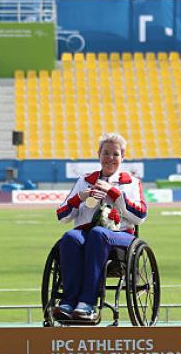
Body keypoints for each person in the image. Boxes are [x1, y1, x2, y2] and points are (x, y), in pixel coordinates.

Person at [52, 132, 148, 322]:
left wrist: (115, 193)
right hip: (86, 234)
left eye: (115, 154)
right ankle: (68, 301)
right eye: (106, 153)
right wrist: (79, 198)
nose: (110, 158)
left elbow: (140, 216)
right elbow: (62, 216)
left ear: (123, 156)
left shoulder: (131, 182)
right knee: (70, 237)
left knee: (98, 234)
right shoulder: (85, 181)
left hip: (120, 236)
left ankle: (87, 303)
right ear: (98, 154)